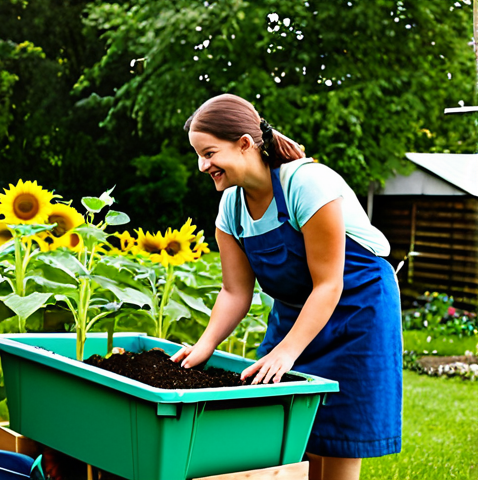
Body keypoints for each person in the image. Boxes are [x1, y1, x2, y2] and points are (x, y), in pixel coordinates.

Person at [171, 94, 402, 480]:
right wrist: (204, 346)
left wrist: (287, 351)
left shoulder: (307, 183)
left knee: (341, 434)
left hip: (357, 307)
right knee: (289, 429)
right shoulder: (230, 208)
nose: (202, 165)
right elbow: (234, 292)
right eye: (198, 154)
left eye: (209, 152)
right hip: (296, 309)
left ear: (245, 144)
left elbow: (329, 283)